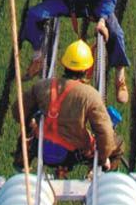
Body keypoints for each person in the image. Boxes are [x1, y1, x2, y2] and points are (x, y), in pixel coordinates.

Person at [16, 40, 123, 171]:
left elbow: (18, 111)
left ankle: (20, 162)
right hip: (72, 154)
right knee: (117, 145)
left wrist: (31, 124)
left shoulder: (42, 85)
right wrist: (102, 158)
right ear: (85, 69)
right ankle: (105, 175)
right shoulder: (90, 95)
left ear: (65, 64)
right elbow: (105, 133)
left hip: (40, 147)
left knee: (26, 132)